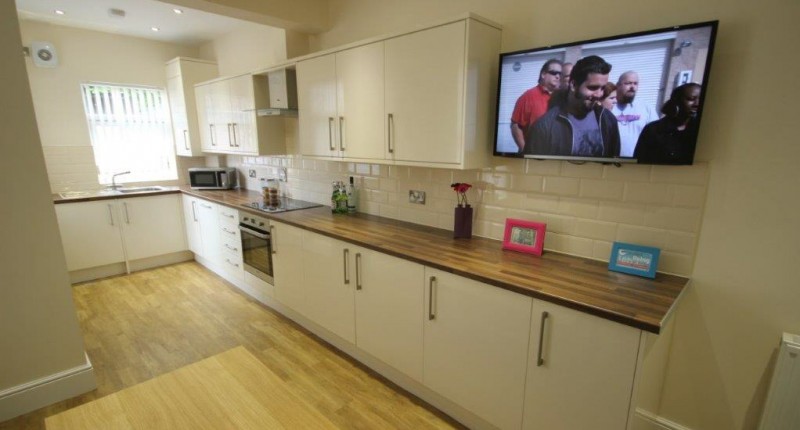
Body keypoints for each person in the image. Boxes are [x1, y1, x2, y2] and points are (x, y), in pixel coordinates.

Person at [523, 55, 620, 157]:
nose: (599, 94)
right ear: (573, 85)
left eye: (602, 88)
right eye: (593, 88)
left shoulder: (608, 120)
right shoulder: (544, 127)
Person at [634, 83, 702, 165]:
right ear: (677, 101)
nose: (697, 104)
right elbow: (640, 160)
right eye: (691, 99)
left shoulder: (702, 129)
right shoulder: (654, 129)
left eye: (701, 99)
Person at [510, 59, 563, 152]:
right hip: (533, 157)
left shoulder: (562, 98)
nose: (558, 76)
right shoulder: (528, 96)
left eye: (560, 74)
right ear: (543, 74)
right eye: (554, 73)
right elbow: (516, 126)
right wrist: (525, 150)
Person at [611, 71, 659, 157]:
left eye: (635, 83)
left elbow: (656, 135)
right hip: (610, 160)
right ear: (618, 85)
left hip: (637, 162)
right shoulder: (609, 106)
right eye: (628, 83)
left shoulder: (646, 108)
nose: (632, 87)